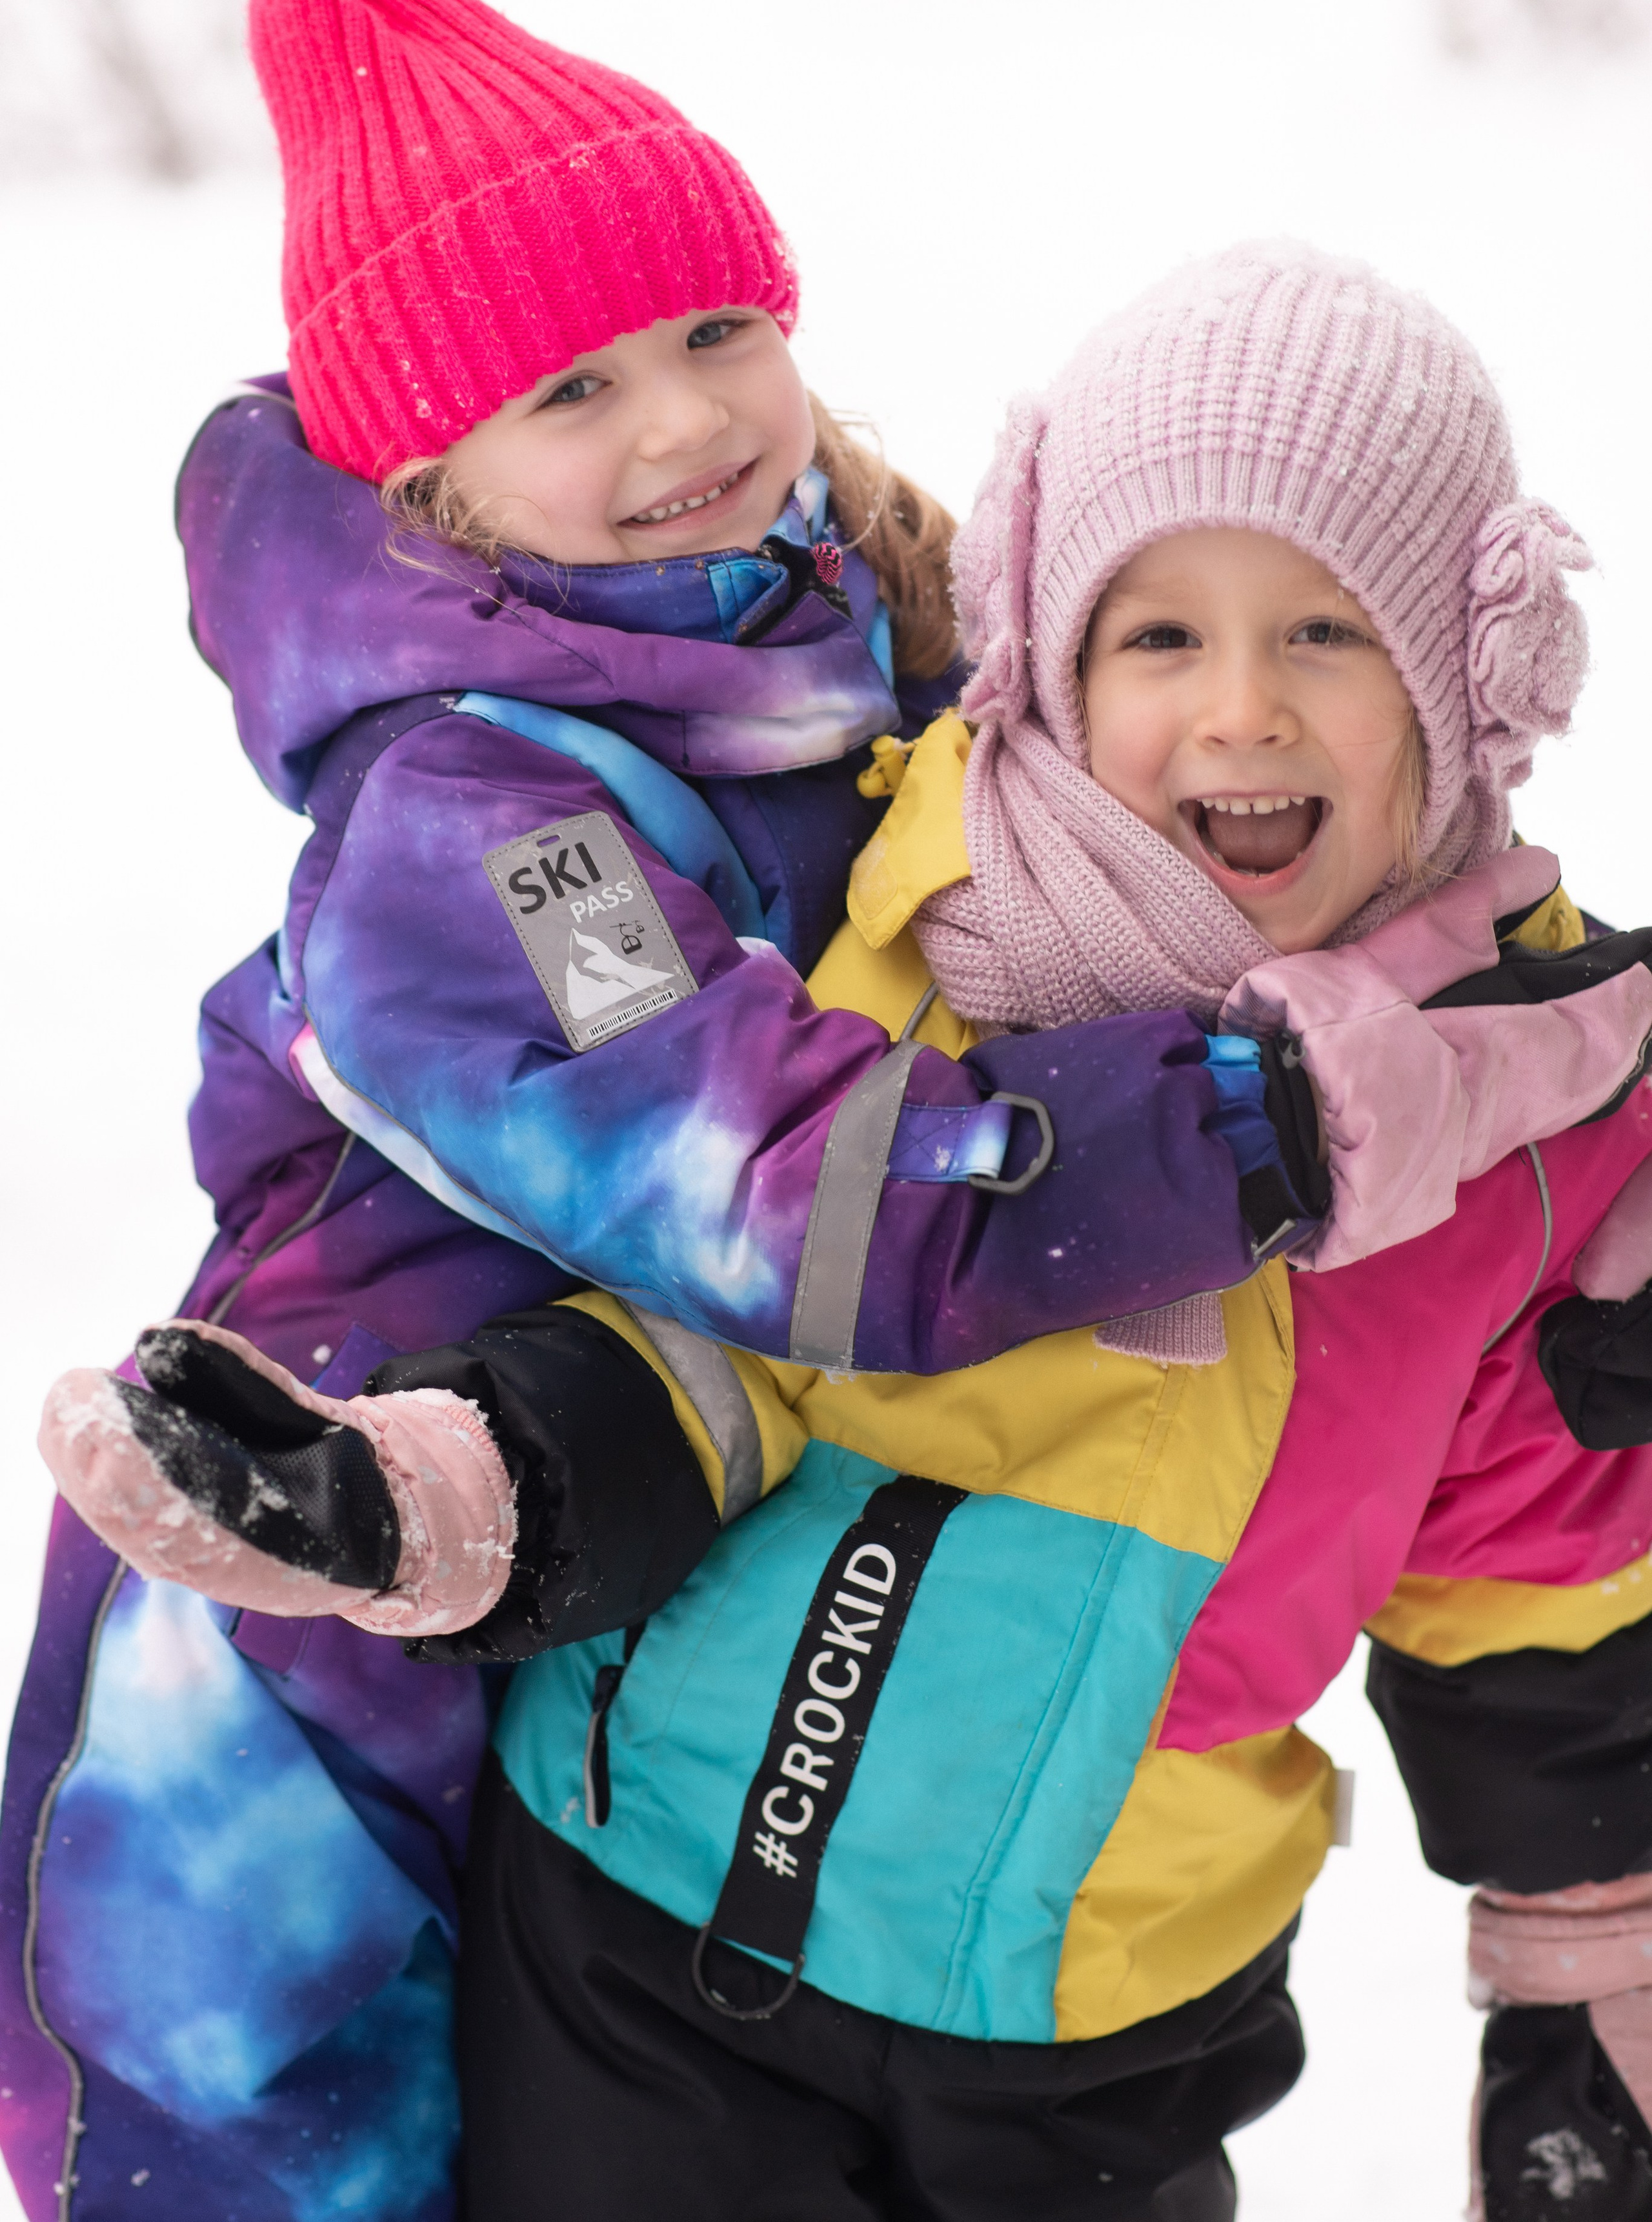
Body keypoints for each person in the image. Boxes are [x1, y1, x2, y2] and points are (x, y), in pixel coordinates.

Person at [45, 247, 1652, 2220]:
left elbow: (1535, 1569)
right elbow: (712, 1342)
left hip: (1099, 2031)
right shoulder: (908, 931)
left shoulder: (1538, 1128)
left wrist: (1586, 1970)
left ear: (1468, 667)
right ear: (1060, 656)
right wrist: (422, 1493)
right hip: (651, 1948)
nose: (1242, 708)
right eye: (1159, 637)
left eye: (1327, 630)